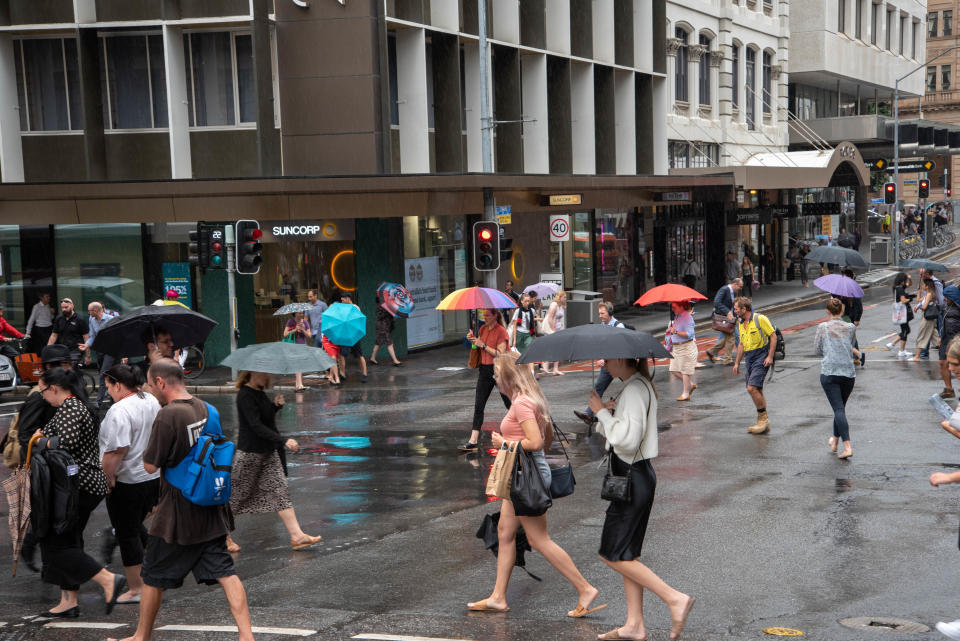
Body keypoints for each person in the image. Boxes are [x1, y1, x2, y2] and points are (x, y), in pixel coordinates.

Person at [108, 358, 252, 641]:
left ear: (161, 382)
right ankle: (246, 635)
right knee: (225, 571)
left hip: (176, 511)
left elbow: (150, 465)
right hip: (208, 504)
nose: (149, 389)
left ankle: (141, 637)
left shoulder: (168, 415)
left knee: (151, 575)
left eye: (150, 384)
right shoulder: (205, 408)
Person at [467, 352, 604, 619]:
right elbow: (548, 435)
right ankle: (498, 597)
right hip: (520, 474)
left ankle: (585, 588)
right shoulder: (529, 399)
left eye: (496, 374)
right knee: (505, 532)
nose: (494, 379)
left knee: (538, 539)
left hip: (525, 477)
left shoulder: (522, 404)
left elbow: (536, 442)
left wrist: (504, 444)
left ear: (507, 376)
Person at [587, 357, 695, 641]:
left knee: (611, 553)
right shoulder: (637, 386)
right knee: (627, 553)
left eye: (607, 359)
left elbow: (627, 440)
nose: (603, 364)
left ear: (621, 359)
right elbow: (627, 432)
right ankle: (634, 624)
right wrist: (611, 412)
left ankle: (674, 599)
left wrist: (602, 413)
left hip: (631, 478)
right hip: (639, 476)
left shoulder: (634, 390)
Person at [33, 367, 125, 618]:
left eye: (43, 390)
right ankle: (69, 601)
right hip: (77, 485)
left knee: (55, 545)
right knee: (68, 539)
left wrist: (38, 439)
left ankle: (107, 580)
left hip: (77, 486)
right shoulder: (70, 408)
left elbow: (65, 444)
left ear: (54, 388)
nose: (42, 396)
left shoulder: (72, 408)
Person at [225, 371, 322, 553]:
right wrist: (283, 440)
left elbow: (266, 419)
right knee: (237, 496)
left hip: (268, 453)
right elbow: (255, 426)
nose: (267, 377)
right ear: (252, 373)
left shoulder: (260, 393)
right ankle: (221, 537)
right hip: (251, 454)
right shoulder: (245, 395)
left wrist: (275, 406)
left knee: (280, 491)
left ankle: (297, 535)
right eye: (264, 373)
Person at [99, 364, 162, 604]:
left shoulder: (120, 410)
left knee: (127, 533)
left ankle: (137, 588)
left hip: (127, 480)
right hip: (151, 476)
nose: (108, 392)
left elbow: (117, 449)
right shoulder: (150, 401)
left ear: (117, 384)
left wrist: (108, 477)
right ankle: (152, 577)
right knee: (136, 527)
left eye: (108, 387)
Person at [461, 309, 511, 451]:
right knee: (479, 405)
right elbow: (477, 347)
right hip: (484, 370)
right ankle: (473, 440)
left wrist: (482, 344)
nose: (485, 318)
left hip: (498, 370)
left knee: (509, 403)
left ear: (495, 316)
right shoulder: (482, 329)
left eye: (488, 315)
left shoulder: (501, 331)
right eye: (484, 315)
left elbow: (500, 354)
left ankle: (519, 431)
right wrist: (473, 341)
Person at [814, 299, 857, 460]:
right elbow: (851, 344)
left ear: (827, 311)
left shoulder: (822, 327)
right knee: (840, 409)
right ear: (842, 310)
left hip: (830, 372)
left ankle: (847, 447)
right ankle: (835, 440)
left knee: (838, 409)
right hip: (848, 373)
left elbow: (816, 349)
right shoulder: (850, 327)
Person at [574, 302, 625, 426]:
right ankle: (588, 414)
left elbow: (620, 347)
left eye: (602, 313)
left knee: (632, 386)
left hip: (620, 364)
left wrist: (606, 358)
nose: (600, 316)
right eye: (599, 313)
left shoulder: (619, 327)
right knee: (598, 389)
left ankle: (637, 409)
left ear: (610, 313)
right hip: (608, 366)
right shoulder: (602, 326)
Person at [732, 297, 777, 435]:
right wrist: (737, 362)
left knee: (752, 388)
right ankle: (764, 421)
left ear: (744, 309)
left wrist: (769, 356)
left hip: (761, 355)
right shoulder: (740, 323)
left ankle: (762, 419)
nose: (734, 311)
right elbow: (741, 344)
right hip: (749, 357)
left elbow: (773, 336)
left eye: (736, 309)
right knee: (756, 389)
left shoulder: (760, 319)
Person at [80, 301, 119, 407]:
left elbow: (118, 336)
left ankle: (99, 401)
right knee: (109, 374)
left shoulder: (110, 319)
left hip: (111, 350)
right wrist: (87, 345)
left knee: (103, 373)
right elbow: (92, 336)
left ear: (96, 311)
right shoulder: (92, 319)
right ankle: (113, 399)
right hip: (100, 350)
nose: (88, 313)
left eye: (89, 311)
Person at [705, 279, 742, 365]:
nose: (740, 288)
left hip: (729, 319)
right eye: (740, 286)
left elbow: (732, 307)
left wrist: (736, 316)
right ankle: (727, 360)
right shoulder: (724, 289)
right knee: (731, 338)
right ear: (735, 284)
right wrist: (727, 312)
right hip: (723, 318)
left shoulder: (733, 292)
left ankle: (711, 352)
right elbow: (717, 302)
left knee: (727, 338)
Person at [667, 301, 697, 401]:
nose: (672, 309)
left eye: (674, 307)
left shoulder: (688, 318)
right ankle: (690, 385)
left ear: (681, 307)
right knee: (673, 370)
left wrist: (675, 331)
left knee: (685, 371)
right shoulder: (677, 316)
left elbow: (689, 334)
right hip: (676, 348)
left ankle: (686, 393)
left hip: (686, 347)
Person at [335, 292, 368, 384]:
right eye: (341, 300)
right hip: (345, 334)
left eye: (343, 300)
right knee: (341, 354)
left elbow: (358, 320)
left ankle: (364, 374)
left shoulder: (355, 308)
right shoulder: (342, 308)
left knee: (359, 355)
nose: (342, 302)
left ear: (348, 298)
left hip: (354, 335)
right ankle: (342, 374)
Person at [48, 297, 89, 364]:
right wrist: (48, 349)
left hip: (76, 350)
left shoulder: (79, 319)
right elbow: (54, 335)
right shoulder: (59, 318)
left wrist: (88, 355)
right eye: (62, 308)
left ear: (72, 306)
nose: (64, 309)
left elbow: (86, 337)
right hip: (62, 349)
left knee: (71, 366)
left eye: (66, 307)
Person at [369, 292, 403, 366]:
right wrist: (388, 310)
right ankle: (395, 360)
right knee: (389, 343)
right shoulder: (381, 305)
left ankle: (372, 358)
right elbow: (380, 316)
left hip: (386, 325)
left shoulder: (387, 304)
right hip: (382, 326)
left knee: (378, 342)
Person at [910, 278, 939, 361]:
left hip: (927, 318)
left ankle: (917, 357)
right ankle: (951, 352)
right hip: (929, 317)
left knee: (922, 336)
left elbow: (924, 306)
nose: (922, 285)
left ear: (927, 286)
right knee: (936, 338)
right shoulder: (927, 294)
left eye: (923, 284)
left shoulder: (929, 294)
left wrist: (919, 307)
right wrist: (918, 291)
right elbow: (918, 300)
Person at [939, 286, 960, 399]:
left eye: (947, 297)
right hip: (946, 338)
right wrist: (940, 335)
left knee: (957, 363)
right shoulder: (944, 306)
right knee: (943, 363)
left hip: (957, 339)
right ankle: (949, 389)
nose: (945, 299)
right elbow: (940, 321)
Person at [283, 311, 312, 391]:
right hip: (293, 345)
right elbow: (285, 334)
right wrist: (295, 330)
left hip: (302, 345)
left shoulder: (305, 322)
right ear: (295, 314)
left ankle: (297, 384)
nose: (301, 314)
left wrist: (303, 329)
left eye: (302, 313)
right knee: (297, 364)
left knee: (300, 365)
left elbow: (309, 335)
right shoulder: (290, 321)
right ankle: (300, 384)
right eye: (299, 313)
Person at [888, 272, 915, 359]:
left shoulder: (898, 287)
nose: (906, 281)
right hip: (903, 312)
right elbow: (903, 301)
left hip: (900, 312)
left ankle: (898, 348)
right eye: (905, 280)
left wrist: (909, 278)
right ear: (902, 280)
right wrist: (910, 298)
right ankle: (895, 346)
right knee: (905, 330)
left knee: (906, 330)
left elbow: (909, 284)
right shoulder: (899, 289)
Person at [541, 291, 567, 376]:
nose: (565, 299)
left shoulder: (562, 306)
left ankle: (555, 369)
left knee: (557, 348)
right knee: (549, 347)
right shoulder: (554, 305)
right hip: (550, 328)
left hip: (558, 328)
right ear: (560, 297)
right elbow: (550, 318)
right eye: (564, 297)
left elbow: (559, 319)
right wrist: (553, 330)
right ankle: (545, 366)